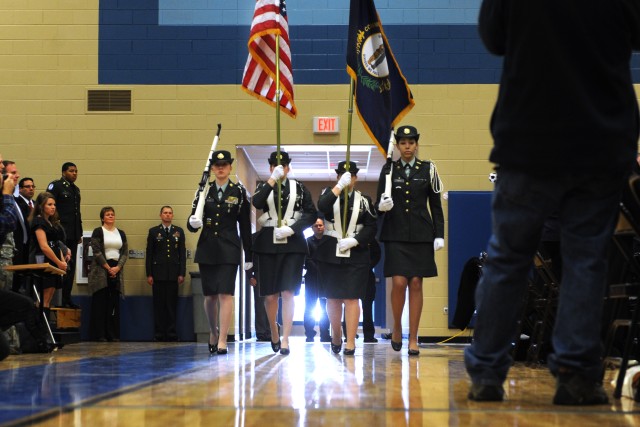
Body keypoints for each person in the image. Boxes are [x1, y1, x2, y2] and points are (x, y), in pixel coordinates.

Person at [464, 0, 640, 405]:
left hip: (528, 136)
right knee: (585, 260)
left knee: (508, 258)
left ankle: (488, 372)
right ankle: (576, 375)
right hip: (599, 136)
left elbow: (492, 39)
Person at [375, 125, 445, 356]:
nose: (407, 147)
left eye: (411, 142)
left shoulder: (428, 169)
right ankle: (397, 326)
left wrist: (439, 234)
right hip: (395, 234)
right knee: (398, 283)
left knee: (416, 283)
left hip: (421, 235)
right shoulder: (388, 170)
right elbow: (379, 205)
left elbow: (435, 206)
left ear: (416, 144)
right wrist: (381, 207)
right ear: (397, 145)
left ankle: (413, 337)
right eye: (403, 143)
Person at [188, 150, 252, 355]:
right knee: (210, 295)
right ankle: (213, 331)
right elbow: (193, 224)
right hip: (207, 247)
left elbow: (244, 226)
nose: (221, 168)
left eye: (225, 165)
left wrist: (249, 256)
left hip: (229, 248)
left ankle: (223, 339)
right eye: (217, 165)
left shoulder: (239, 192)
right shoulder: (203, 192)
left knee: (226, 294)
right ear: (213, 168)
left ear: (230, 167)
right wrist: (192, 223)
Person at [252, 151, 316, 355]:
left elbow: (311, 214)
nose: (279, 169)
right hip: (268, 243)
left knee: (288, 292)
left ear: (288, 168)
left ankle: (286, 338)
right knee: (270, 296)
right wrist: (271, 180)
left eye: (283, 166)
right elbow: (257, 203)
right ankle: (274, 330)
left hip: (292, 243)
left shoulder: (299, 188)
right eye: (274, 166)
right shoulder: (264, 187)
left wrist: (293, 229)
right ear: (270, 167)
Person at [316, 161, 377, 355]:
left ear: (356, 178)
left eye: (350, 175)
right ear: (337, 176)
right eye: (342, 174)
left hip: (356, 253)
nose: (347, 178)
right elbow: (322, 207)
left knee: (352, 298)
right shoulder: (329, 193)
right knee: (333, 298)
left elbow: (371, 227)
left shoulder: (364, 200)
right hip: (330, 252)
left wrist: (356, 241)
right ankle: (336, 334)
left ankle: (350, 341)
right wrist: (339, 186)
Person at [146, 206, 186, 342]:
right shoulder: (153, 232)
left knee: (171, 305)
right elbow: (149, 254)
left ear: (172, 216)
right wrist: (149, 274)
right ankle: (159, 333)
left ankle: (171, 333)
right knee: (158, 306)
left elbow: (182, 254)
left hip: (173, 275)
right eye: (165, 213)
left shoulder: (178, 232)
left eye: (170, 213)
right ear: (160, 215)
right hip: (158, 275)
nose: (167, 215)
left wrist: (182, 273)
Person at [88, 207, 128, 342]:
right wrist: (107, 268)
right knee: (100, 303)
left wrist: (117, 268)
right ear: (102, 218)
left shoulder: (121, 233)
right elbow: (96, 251)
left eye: (112, 214)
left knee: (113, 304)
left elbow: (125, 252)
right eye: (107, 214)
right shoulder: (98, 231)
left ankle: (113, 333)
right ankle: (100, 334)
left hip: (116, 270)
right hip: (101, 270)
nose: (111, 216)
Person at [47, 162, 82, 309]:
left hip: (73, 233)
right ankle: (58, 300)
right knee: (60, 266)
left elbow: (76, 213)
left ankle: (67, 297)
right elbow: (49, 207)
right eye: (71, 171)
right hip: (61, 233)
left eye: (76, 171)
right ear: (63, 172)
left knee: (71, 266)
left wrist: (79, 232)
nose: (74, 173)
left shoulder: (75, 189)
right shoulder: (56, 186)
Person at [28, 192, 70, 310]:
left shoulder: (51, 223)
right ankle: (38, 324)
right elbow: (44, 246)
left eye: (54, 204)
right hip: (44, 261)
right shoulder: (38, 222)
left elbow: (56, 245)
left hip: (55, 262)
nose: (53, 207)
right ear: (41, 206)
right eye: (49, 204)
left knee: (49, 296)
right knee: (43, 298)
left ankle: (43, 321)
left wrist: (62, 262)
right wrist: (58, 262)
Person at [303, 217, 331, 343]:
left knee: (325, 307)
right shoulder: (307, 242)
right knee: (309, 306)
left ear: (324, 227)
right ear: (312, 228)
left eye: (320, 225)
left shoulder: (329, 241)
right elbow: (307, 259)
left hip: (326, 279)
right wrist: (319, 269)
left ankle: (325, 334)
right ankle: (309, 334)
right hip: (311, 278)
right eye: (316, 225)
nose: (318, 227)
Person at [12, 177, 35, 293]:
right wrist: (32, 213)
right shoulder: (16, 203)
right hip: (20, 244)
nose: (31, 189)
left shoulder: (36, 204)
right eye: (27, 186)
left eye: (33, 186)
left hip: (32, 246)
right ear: (20, 189)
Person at [362, 238, 381, 343]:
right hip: (351, 273)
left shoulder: (371, 240)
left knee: (367, 306)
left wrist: (368, 266)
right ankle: (348, 334)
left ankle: (368, 335)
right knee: (349, 304)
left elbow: (377, 254)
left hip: (367, 274)